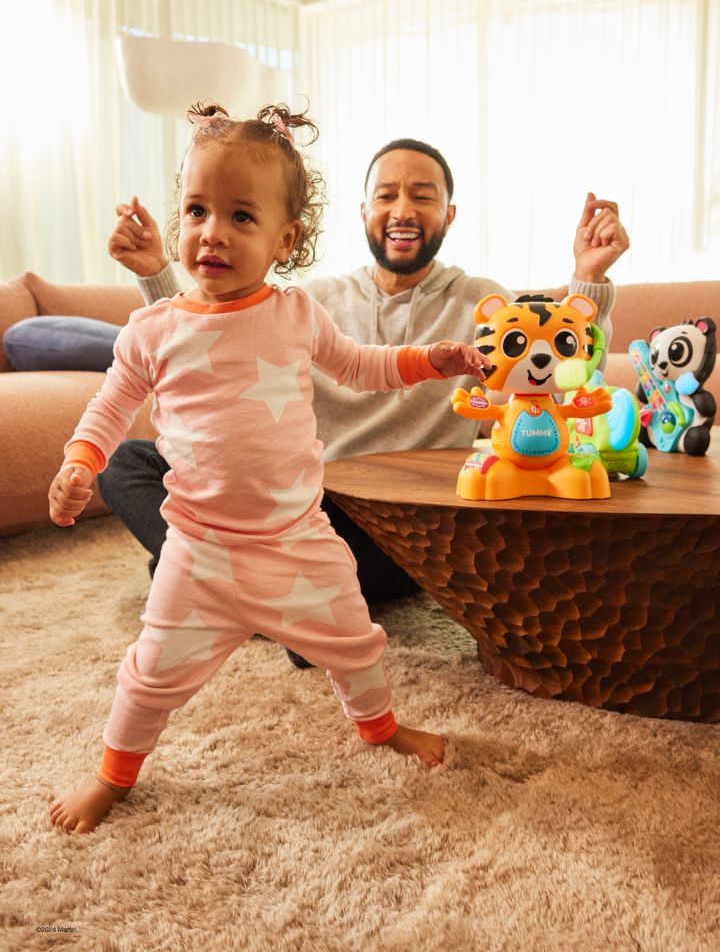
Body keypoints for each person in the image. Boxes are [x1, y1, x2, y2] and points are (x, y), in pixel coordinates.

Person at [47, 102, 490, 835]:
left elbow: (360, 366)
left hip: (297, 537)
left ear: (286, 239)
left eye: (241, 217)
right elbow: (111, 403)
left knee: (355, 641)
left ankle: (379, 728)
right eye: (196, 209)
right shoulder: (153, 328)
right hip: (200, 546)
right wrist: (77, 460)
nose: (212, 231)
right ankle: (112, 774)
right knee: (150, 671)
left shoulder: (297, 312)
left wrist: (428, 359)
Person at [102, 138, 629, 669]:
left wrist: (590, 278)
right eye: (386, 195)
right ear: (364, 213)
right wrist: (155, 275)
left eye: (422, 197)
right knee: (126, 462)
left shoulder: (483, 302)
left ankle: (213, 583)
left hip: (393, 530)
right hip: (298, 502)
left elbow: (554, 386)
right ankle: (244, 587)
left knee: (338, 565)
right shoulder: (314, 301)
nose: (402, 210)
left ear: (448, 215)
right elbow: (204, 336)